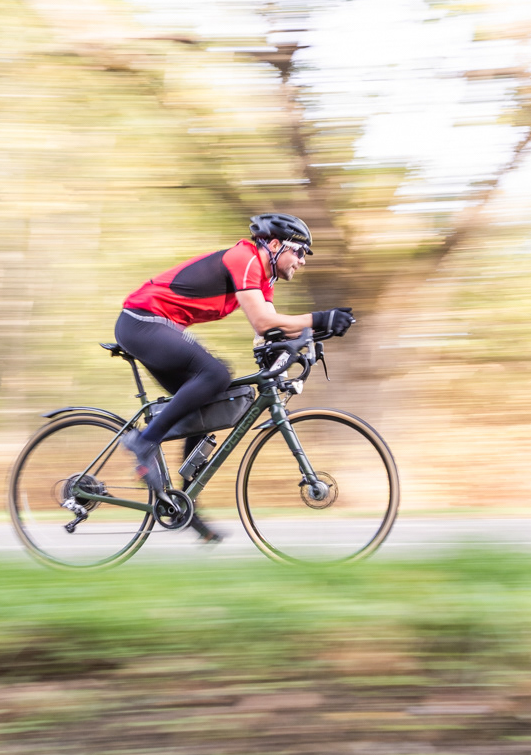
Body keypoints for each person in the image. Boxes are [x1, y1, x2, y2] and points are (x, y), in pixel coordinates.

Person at [116, 213, 356, 541]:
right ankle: (142, 442)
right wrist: (318, 319)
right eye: (299, 252)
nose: (302, 261)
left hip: (157, 327)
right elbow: (262, 322)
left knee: (207, 410)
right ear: (274, 244)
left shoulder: (263, 278)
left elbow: (269, 330)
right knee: (215, 374)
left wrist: (301, 344)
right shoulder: (245, 258)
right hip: (142, 322)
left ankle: (186, 508)